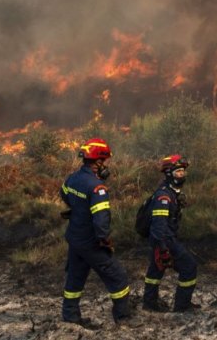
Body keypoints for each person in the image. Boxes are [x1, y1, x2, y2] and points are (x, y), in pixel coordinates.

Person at [60, 138, 132, 326]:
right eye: (105, 161)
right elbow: (101, 220)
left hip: (75, 239)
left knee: (75, 279)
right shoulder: (97, 187)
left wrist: (77, 209)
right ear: (98, 162)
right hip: (91, 242)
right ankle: (123, 319)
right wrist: (104, 240)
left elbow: (64, 194)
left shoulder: (72, 178)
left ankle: (70, 317)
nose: (106, 166)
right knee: (117, 277)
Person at [142, 154, 199, 313]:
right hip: (164, 239)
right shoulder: (164, 197)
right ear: (169, 174)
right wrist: (163, 248)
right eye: (178, 172)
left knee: (155, 271)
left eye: (183, 171)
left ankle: (149, 304)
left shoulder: (170, 192)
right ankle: (182, 306)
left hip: (160, 239)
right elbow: (158, 225)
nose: (182, 175)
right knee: (189, 267)